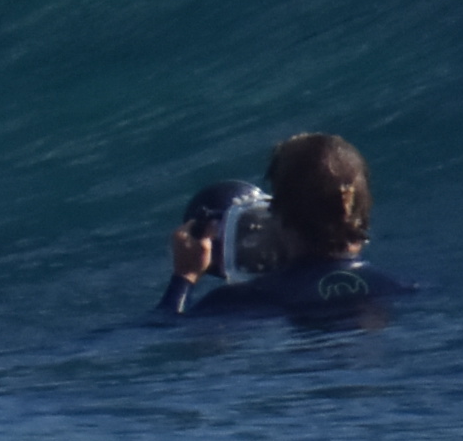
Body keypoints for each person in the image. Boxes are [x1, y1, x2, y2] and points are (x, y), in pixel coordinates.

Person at [156, 131, 412, 323]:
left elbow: (165, 330)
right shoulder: (400, 288)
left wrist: (184, 277)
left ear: (277, 211)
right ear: (364, 208)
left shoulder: (243, 300)